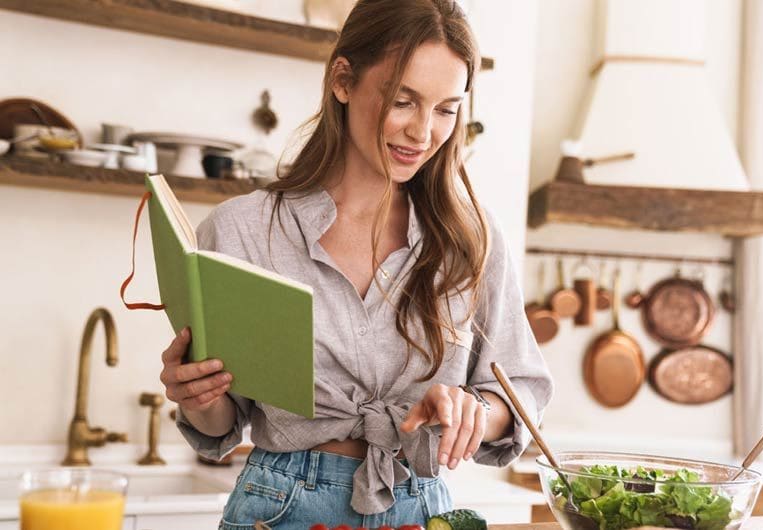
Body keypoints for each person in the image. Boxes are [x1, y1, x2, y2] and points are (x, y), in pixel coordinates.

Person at [158, 0, 554, 528]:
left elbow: (519, 390)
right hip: (280, 508)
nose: (422, 132)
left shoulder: (472, 239)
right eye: (403, 100)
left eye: (445, 109)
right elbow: (221, 422)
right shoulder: (240, 230)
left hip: (421, 504)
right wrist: (196, 395)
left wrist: (472, 413)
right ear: (343, 80)